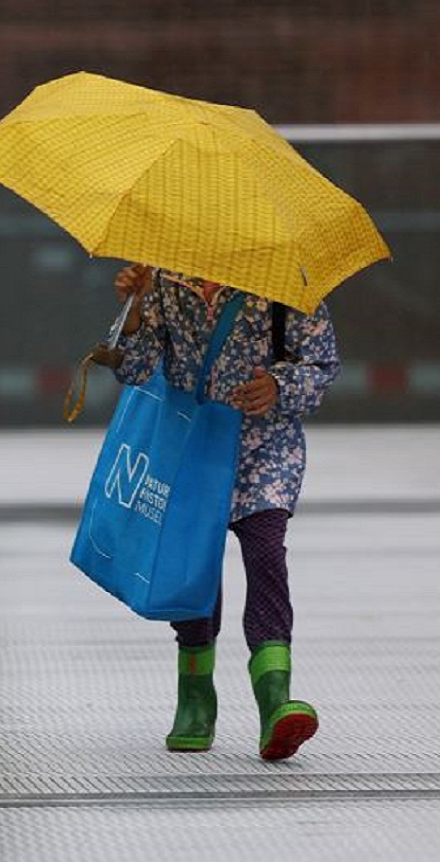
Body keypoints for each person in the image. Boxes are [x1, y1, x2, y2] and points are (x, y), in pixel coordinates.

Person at [112, 264, 340, 761]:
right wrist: (136, 308)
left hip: (265, 449)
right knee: (195, 564)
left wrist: (279, 387)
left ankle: (275, 699)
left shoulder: (289, 279)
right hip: (192, 447)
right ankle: (195, 697)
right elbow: (134, 370)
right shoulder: (165, 282)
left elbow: (321, 365)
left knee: (265, 555)